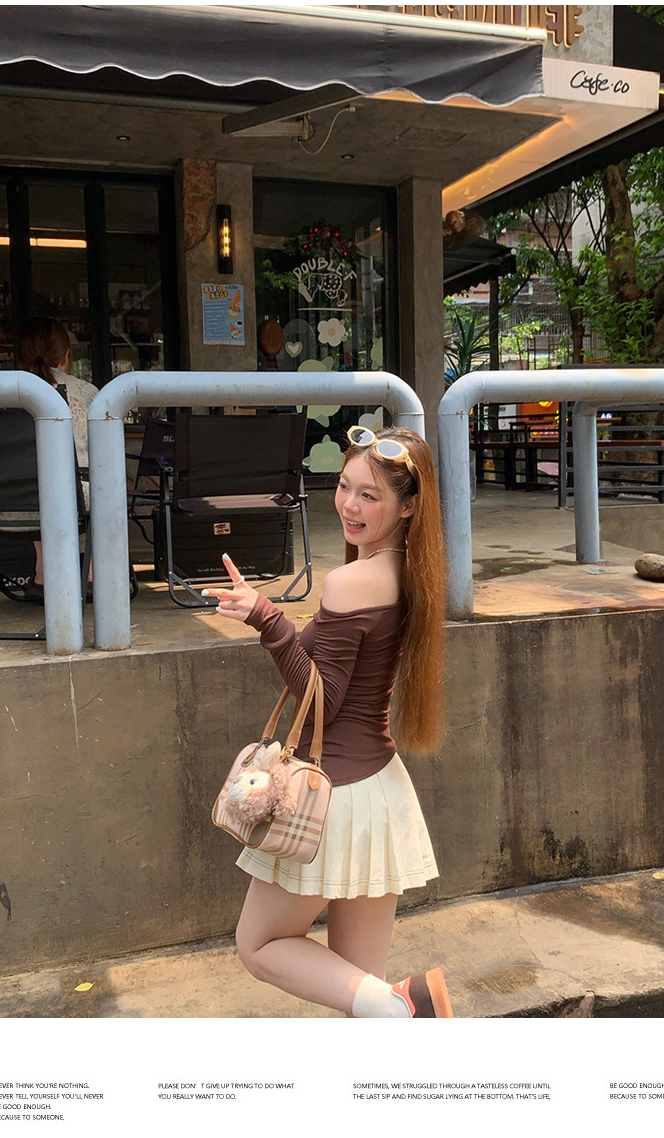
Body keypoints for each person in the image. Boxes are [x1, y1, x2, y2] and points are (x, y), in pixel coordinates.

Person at [206, 425, 452, 1018]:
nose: (349, 505)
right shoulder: (410, 572)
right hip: (378, 793)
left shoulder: (351, 581)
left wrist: (269, 620)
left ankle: (403, 1010)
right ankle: (401, 1011)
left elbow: (322, 704)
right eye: (344, 487)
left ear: (408, 506)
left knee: (259, 944)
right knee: (361, 990)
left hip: (333, 796)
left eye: (370, 495)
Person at [0, 316, 98, 601]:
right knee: (92, 487)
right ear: (66, 357)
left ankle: (43, 574)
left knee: (37, 481)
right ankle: (89, 573)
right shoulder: (87, 394)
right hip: (71, 505)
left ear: (17, 357)